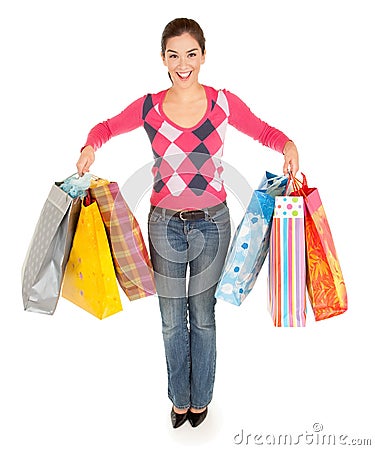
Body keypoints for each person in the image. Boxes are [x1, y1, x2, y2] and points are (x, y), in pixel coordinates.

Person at [76, 18, 299, 429]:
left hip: (213, 223)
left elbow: (264, 131)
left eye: (191, 54)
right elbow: (106, 127)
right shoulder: (148, 107)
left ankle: (202, 399)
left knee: (203, 313)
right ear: (163, 59)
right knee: (170, 317)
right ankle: (180, 399)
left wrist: (288, 145)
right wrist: (91, 146)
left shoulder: (223, 104)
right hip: (164, 225)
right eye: (174, 55)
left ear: (203, 56)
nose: (183, 63)